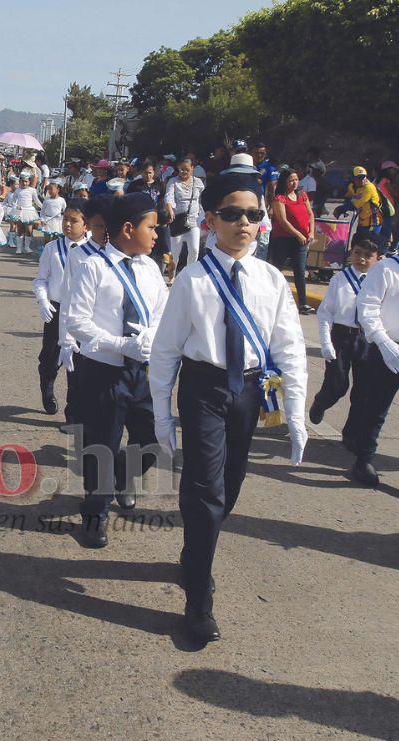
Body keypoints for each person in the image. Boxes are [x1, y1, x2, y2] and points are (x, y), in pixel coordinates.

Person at [149, 173, 308, 645]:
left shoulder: (271, 279)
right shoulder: (193, 280)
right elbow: (165, 353)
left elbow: (290, 346)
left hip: (250, 391)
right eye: (234, 213)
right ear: (211, 218)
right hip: (203, 387)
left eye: (254, 214)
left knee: (229, 487)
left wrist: (296, 414)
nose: (245, 223)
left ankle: (195, 548)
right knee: (205, 490)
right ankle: (199, 600)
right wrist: (162, 415)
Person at [65, 193, 169, 549]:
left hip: (142, 373)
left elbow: (161, 314)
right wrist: (119, 344)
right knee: (102, 446)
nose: (156, 236)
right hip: (103, 371)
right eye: (151, 228)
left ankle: (125, 475)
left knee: (154, 440)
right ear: (128, 229)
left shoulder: (151, 269)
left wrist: (151, 338)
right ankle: (95, 513)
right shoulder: (93, 267)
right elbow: (76, 321)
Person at [344, 247, 399, 486]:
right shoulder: (386, 269)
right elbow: (367, 309)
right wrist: (385, 343)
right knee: (376, 407)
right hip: (386, 348)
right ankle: (364, 459)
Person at [311, 240, 380, 429]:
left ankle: (351, 433)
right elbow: (325, 312)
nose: (362, 259)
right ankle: (321, 402)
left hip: (367, 338)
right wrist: (326, 342)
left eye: (368, 256)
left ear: (378, 259)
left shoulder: (379, 282)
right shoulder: (340, 279)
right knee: (337, 385)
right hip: (342, 336)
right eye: (358, 253)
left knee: (363, 390)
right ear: (351, 253)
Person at [56, 196, 111, 431]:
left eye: (110, 226)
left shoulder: (123, 254)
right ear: (89, 226)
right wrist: (66, 339)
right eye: (99, 226)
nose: (106, 232)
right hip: (82, 330)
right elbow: (68, 298)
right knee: (78, 382)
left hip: (109, 334)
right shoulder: (79, 254)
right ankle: (76, 423)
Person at [34, 198, 89, 415]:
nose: (67, 224)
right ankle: (46, 388)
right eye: (65, 219)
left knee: (78, 363)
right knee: (50, 358)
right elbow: (41, 279)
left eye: (74, 221)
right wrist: (43, 301)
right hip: (56, 311)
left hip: (82, 313)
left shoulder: (92, 250)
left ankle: (73, 410)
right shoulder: (52, 247)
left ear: (86, 225)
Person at [269, 167, 316, 314]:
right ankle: (271, 299)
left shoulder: (302, 195)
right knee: (276, 269)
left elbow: (310, 214)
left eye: (296, 180)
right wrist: (297, 234)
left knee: (300, 271)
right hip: (283, 239)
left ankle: (303, 303)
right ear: (284, 182)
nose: (294, 183)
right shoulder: (280, 198)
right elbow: (283, 221)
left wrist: (311, 232)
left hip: (301, 241)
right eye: (291, 180)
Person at [164, 157, 204, 271]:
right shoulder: (173, 181)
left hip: (193, 220)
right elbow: (169, 196)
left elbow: (203, 199)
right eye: (181, 169)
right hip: (177, 220)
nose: (184, 172)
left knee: (195, 249)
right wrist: (170, 209)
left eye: (187, 170)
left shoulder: (198, 182)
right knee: (175, 253)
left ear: (192, 169)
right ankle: (171, 274)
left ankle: (189, 272)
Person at [344, 167, 384, 246]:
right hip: (363, 221)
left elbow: (357, 203)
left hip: (373, 223)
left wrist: (342, 208)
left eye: (363, 177)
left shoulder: (369, 187)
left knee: (369, 246)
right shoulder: (353, 187)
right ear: (353, 179)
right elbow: (347, 196)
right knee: (356, 243)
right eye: (358, 178)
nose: (361, 179)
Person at [252, 142, 278, 261]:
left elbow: (273, 187)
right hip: (246, 200)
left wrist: (271, 207)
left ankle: (261, 260)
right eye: (257, 153)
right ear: (252, 153)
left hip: (260, 202)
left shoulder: (269, 167)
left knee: (264, 229)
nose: (259, 155)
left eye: (262, 153)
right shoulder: (247, 165)